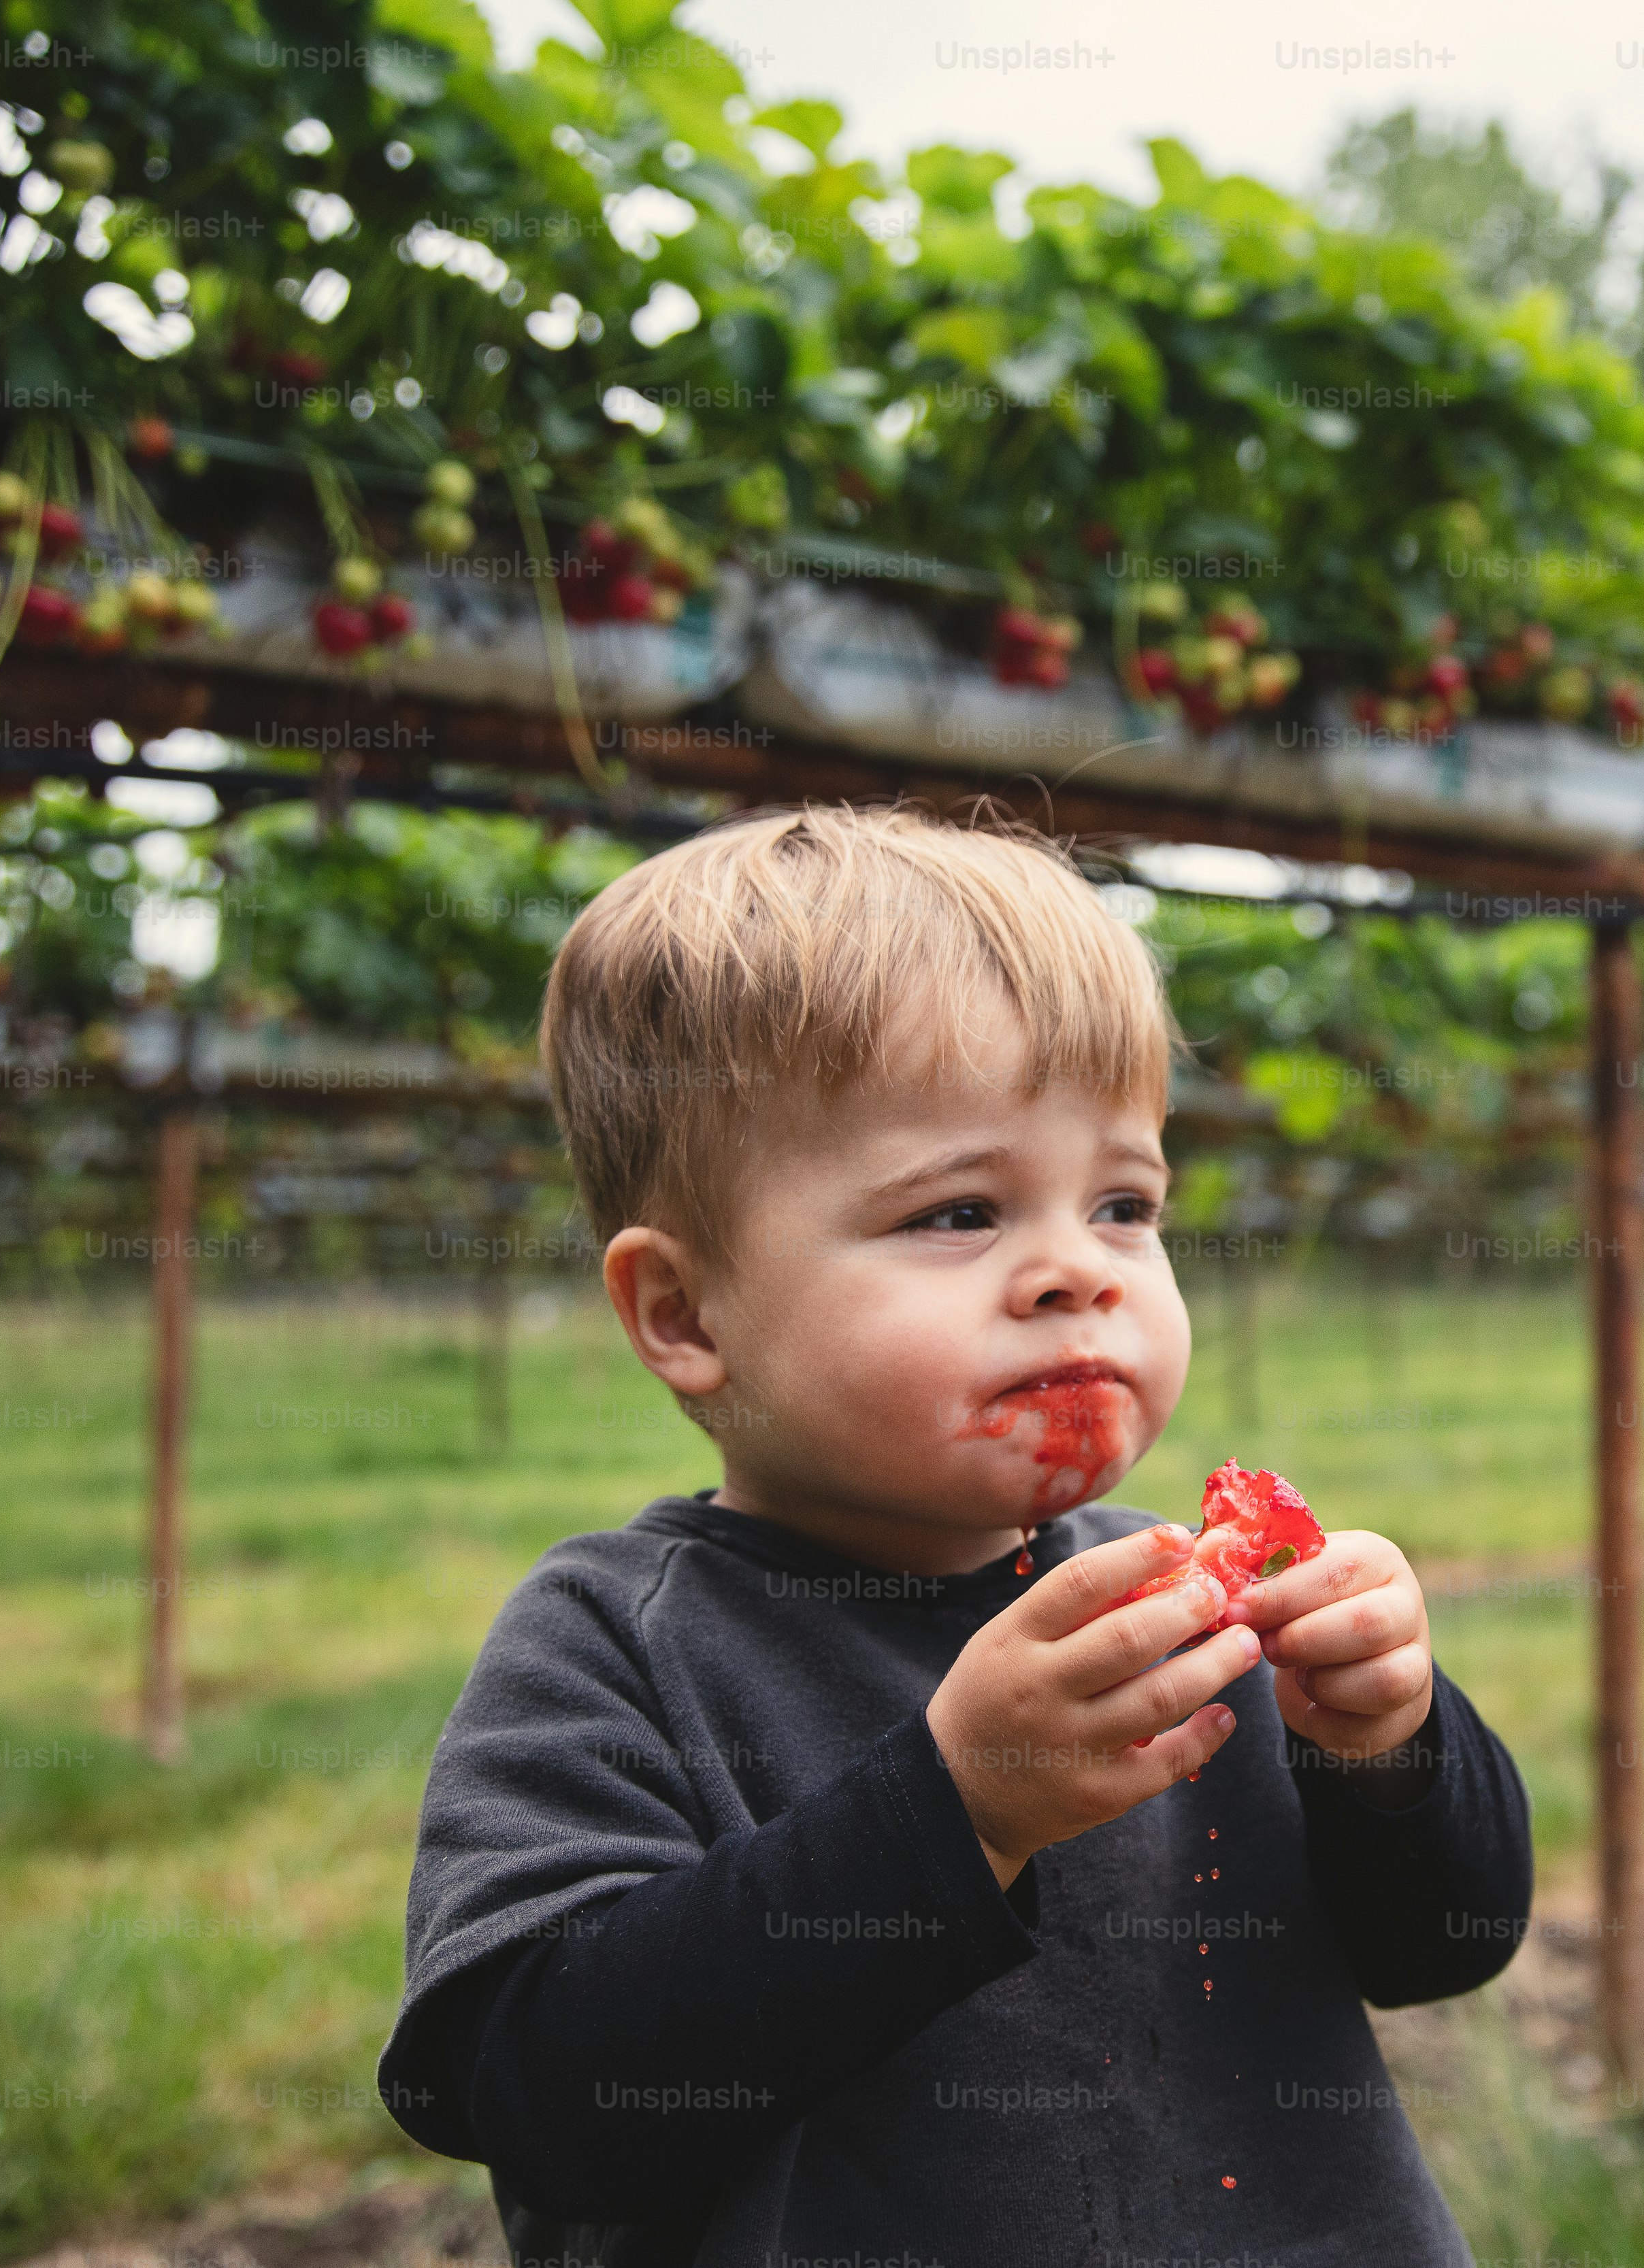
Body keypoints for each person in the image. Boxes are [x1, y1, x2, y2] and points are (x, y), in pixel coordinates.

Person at [378, 803, 1535, 2265]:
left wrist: (1391, 1749)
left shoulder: (1188, 1607)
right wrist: (961, 1809)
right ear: (685, 1313)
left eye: (1125, 1201)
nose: (1074, 1270)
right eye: (959, 1210)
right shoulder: (623, 1646)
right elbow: (547, 2091)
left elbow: (1441, 1947)